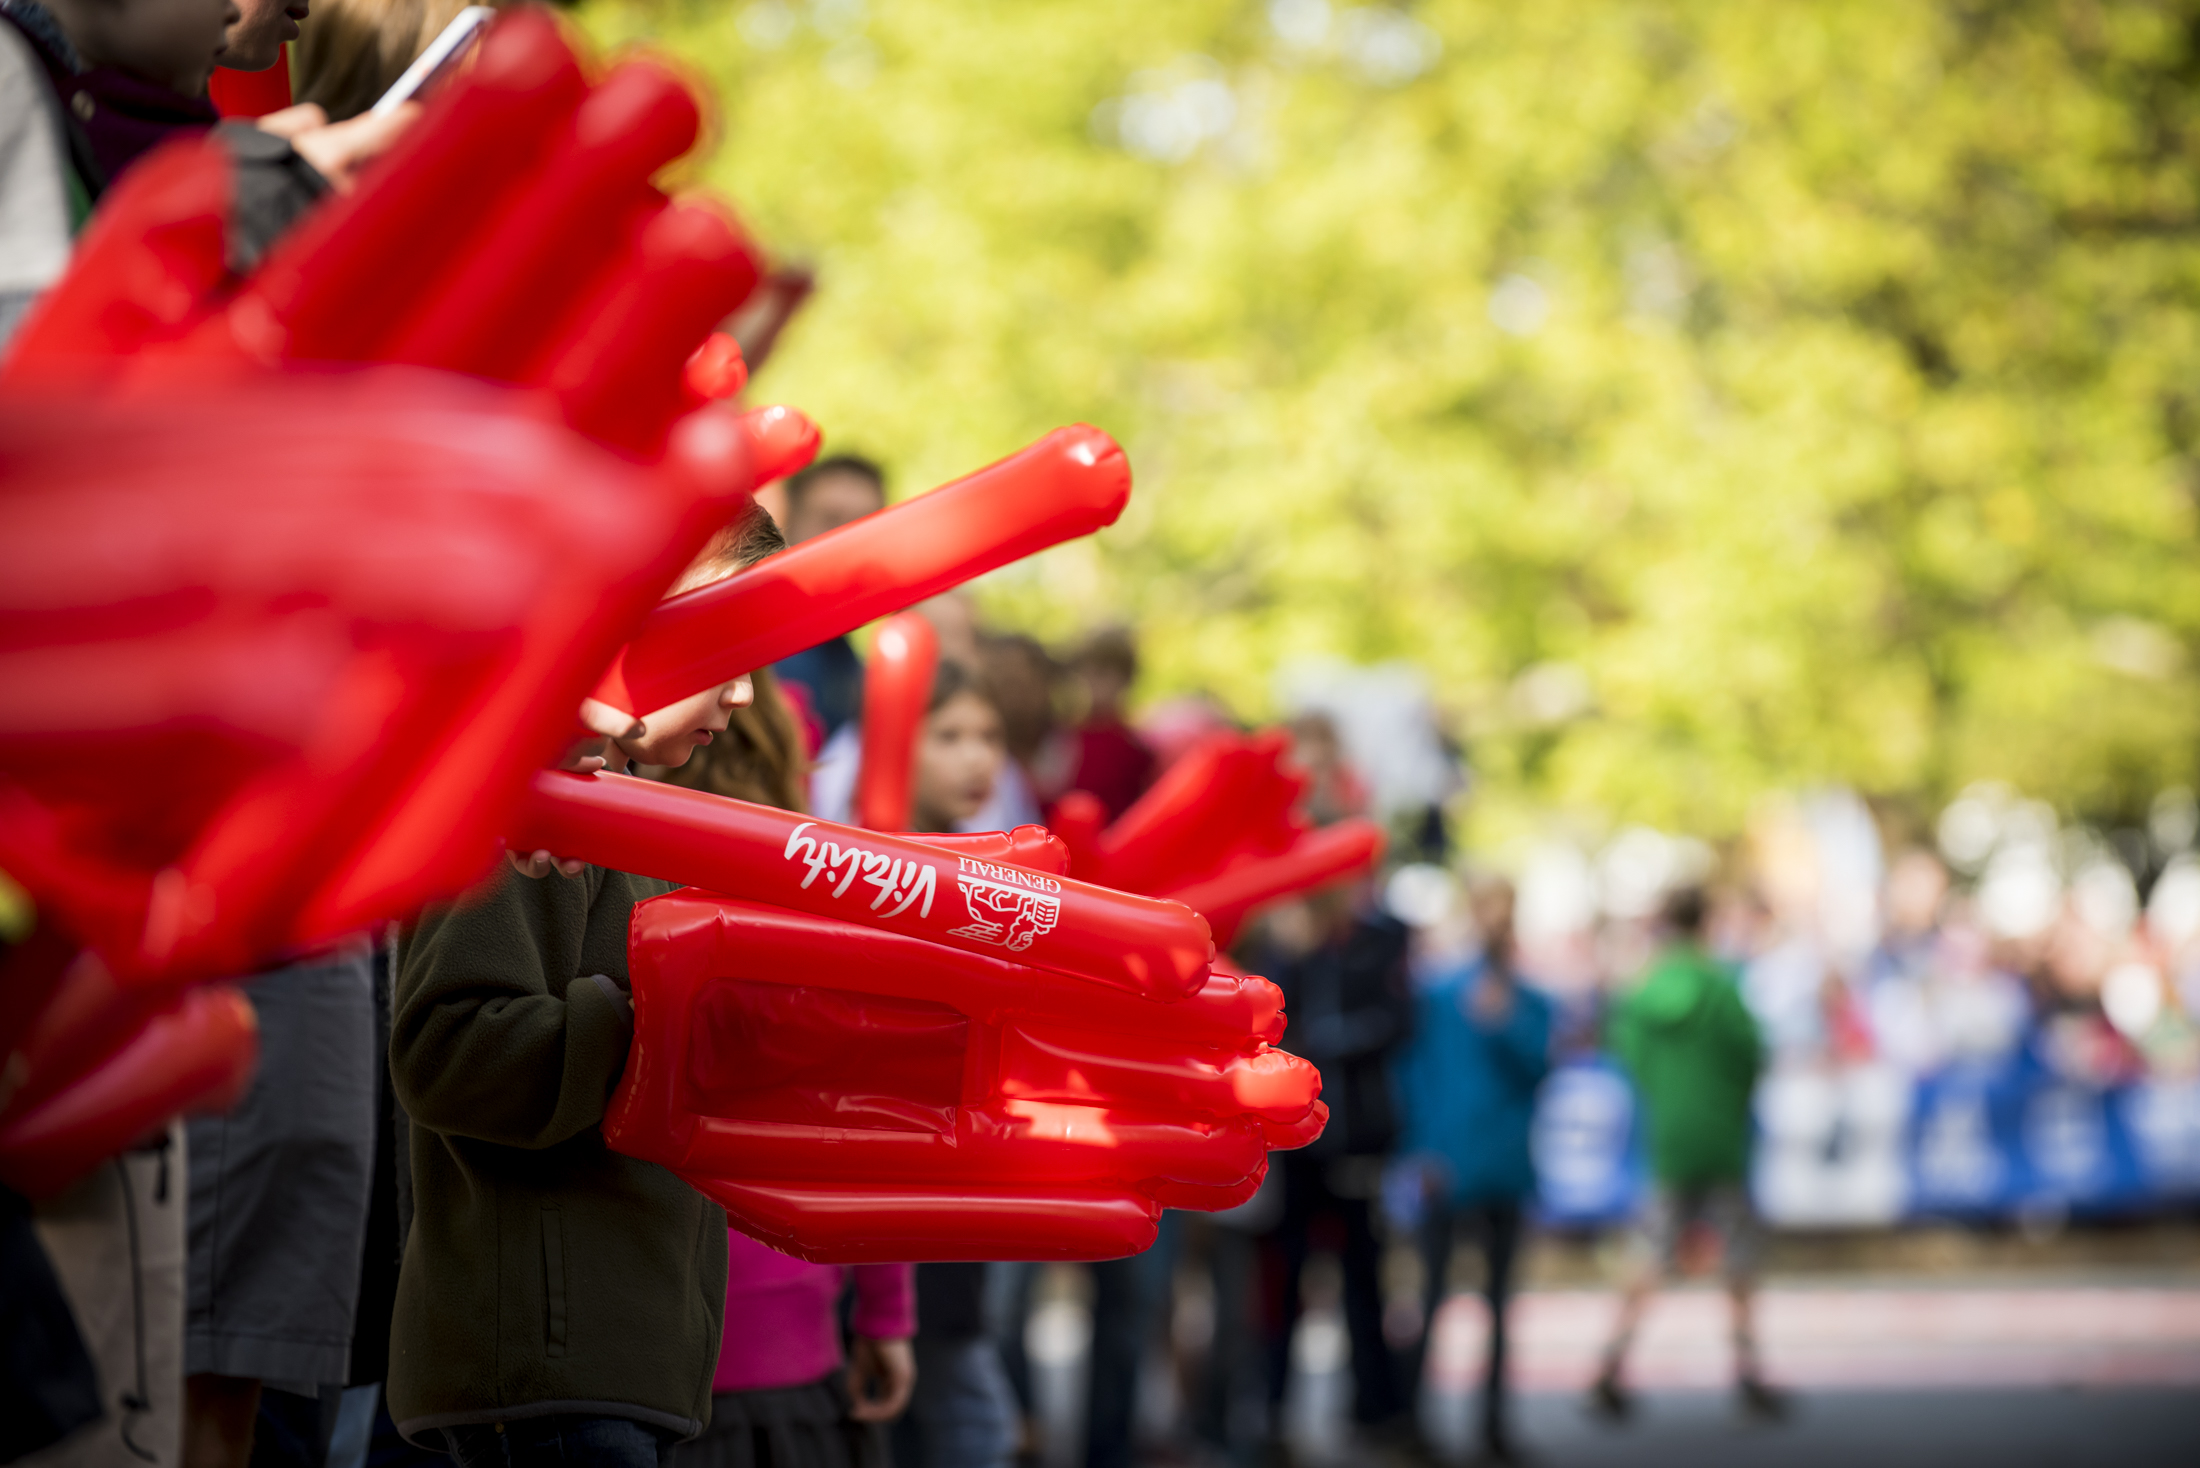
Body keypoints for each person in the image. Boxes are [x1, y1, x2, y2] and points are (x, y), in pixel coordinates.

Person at [384, 518, 773, 1464]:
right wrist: (658, 1027)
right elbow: (443, 1048)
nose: (747, 690)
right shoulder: (530, 792)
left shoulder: (627, 809)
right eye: (731, 649)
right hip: (547, 1381)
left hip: (612, 1370)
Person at [652, 507, 918, 1468]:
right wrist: (884, 1310)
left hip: (674, 1349)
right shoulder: (807, 889)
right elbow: (869, 1107)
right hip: (762, 1338)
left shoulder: (616, 855)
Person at [883, 661, 1019, 1468]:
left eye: (990, 737)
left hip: (962, 1223)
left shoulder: (996, 880)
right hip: (887, 1228)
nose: (977, 759)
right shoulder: (861, 868)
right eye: (951, 736)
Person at [1588, 885, 1783, 1422]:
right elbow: (1750, 1054)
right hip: (1720, 1136)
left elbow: (1628, 1055)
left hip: (1668, 1136)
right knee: (1740, 1256)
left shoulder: (1641, 992)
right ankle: (1749, 1371)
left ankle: (1610, 1365)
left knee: (1648, 1251)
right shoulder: (1722, 985)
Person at [1390, 878, 1552, 1465]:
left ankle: (1493, 1425)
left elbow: (1541, 1067)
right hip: (1450, 1163)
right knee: (1428, 1294)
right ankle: (1412, 1419)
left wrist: (1508, 1022)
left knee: (1499, 1302)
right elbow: (1415, 1076)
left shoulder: (1529, 997)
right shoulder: (1438, 992)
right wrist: (1422, 1150)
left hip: (1505, 1164)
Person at [1255, 882, 1411, 1444]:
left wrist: (1331, 1042)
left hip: (1355, 1137)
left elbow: (1397, 1020)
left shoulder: (1379, 940)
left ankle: (1375, 1407)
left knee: (1364, 1278)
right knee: (1285, 1279)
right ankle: (1273, 1413)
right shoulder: (1288, 946)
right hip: (1297, 1146)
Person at [771, 455, 888, 741]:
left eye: (865, 524)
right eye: (830, 519)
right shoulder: (742, 645)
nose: (848, 538)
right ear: (787, 521)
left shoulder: (859, 673)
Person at [1059, 628, 1152, 821]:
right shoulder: (1062, 737)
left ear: (1126, 679)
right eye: (1087, 671)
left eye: (1105, 672)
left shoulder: (1136, 748)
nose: (1094, 682)